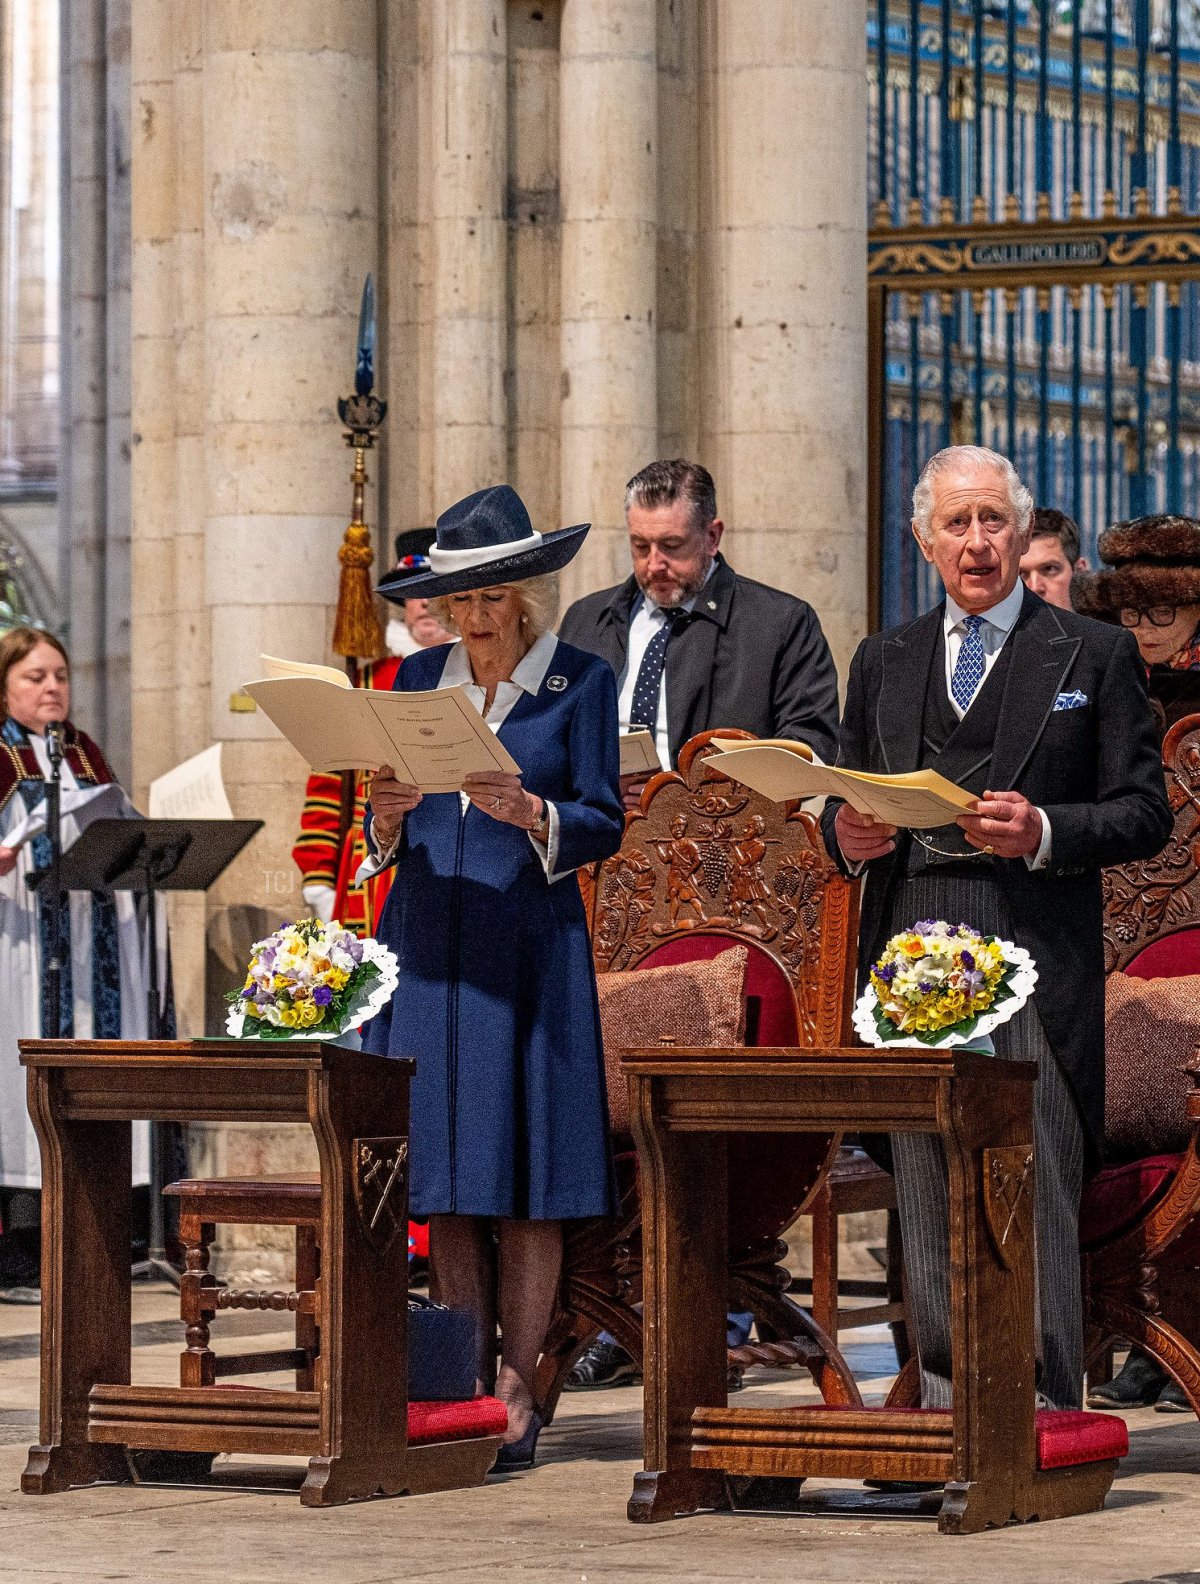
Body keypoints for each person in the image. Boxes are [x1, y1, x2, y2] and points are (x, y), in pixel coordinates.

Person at [820, 445, 1172, 1414]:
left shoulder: (1090, 654)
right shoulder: (880, 661)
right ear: (925, 540)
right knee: (928, 1177)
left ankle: (1047, 1406)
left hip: (1031, 945)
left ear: (1021, 533)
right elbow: (845, 801)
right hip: (909, 949)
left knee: (1030, 1173)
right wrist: (844, 832)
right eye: (956, 524)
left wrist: (1047, 829)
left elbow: (1147, 812)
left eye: (993, 521)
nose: (977, 543)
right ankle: (943, 1400)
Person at [361, 485, 624, 1469]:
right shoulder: (413, 678)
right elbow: (379, 831)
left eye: (493, 595)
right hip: (428, 942)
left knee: (528, 1177)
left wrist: (534, 811)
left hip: (528, 947)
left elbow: (604, 817)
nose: (475, 615)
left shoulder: (581, 685)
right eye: (460, 597)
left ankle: (520, 1380)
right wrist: (383, 820)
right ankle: (458, 1379)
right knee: (450, 1179)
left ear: (526, 594)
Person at [0, 628, 158, 1295]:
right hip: (22, 945)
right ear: (5, 686)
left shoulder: (86, 752)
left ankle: (100, 1234)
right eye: (35, 676)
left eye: (60, 674)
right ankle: (23, 1249)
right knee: (19, 1085)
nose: (52, 688)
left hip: (94, 943)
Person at [559, 458, 840, 771]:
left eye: (672, 545)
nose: (654, 564)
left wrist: (676, 795)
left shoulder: (782, 624)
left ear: (712, 537)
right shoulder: (585, 619)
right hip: (595, 815)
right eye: (640, 546)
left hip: (717, 816)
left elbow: (811, 745)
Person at [292, 529, 452, 933]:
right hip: (372, 874)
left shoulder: (477, 675)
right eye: (416, 592)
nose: (426, 602)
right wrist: (319, 878)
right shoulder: (365, 681)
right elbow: (329, 781)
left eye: (435, 588)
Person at [1073, 514, 1200, 738]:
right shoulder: (1102, 674)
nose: (1144, 628)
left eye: (1162, 612)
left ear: (1196, 608)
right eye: (1131, 613)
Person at [1018, 507, 1086, 611]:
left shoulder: (1109, 626)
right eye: (1020, 574)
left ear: (1079, 571)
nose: (1034, 588)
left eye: (1049, 569)